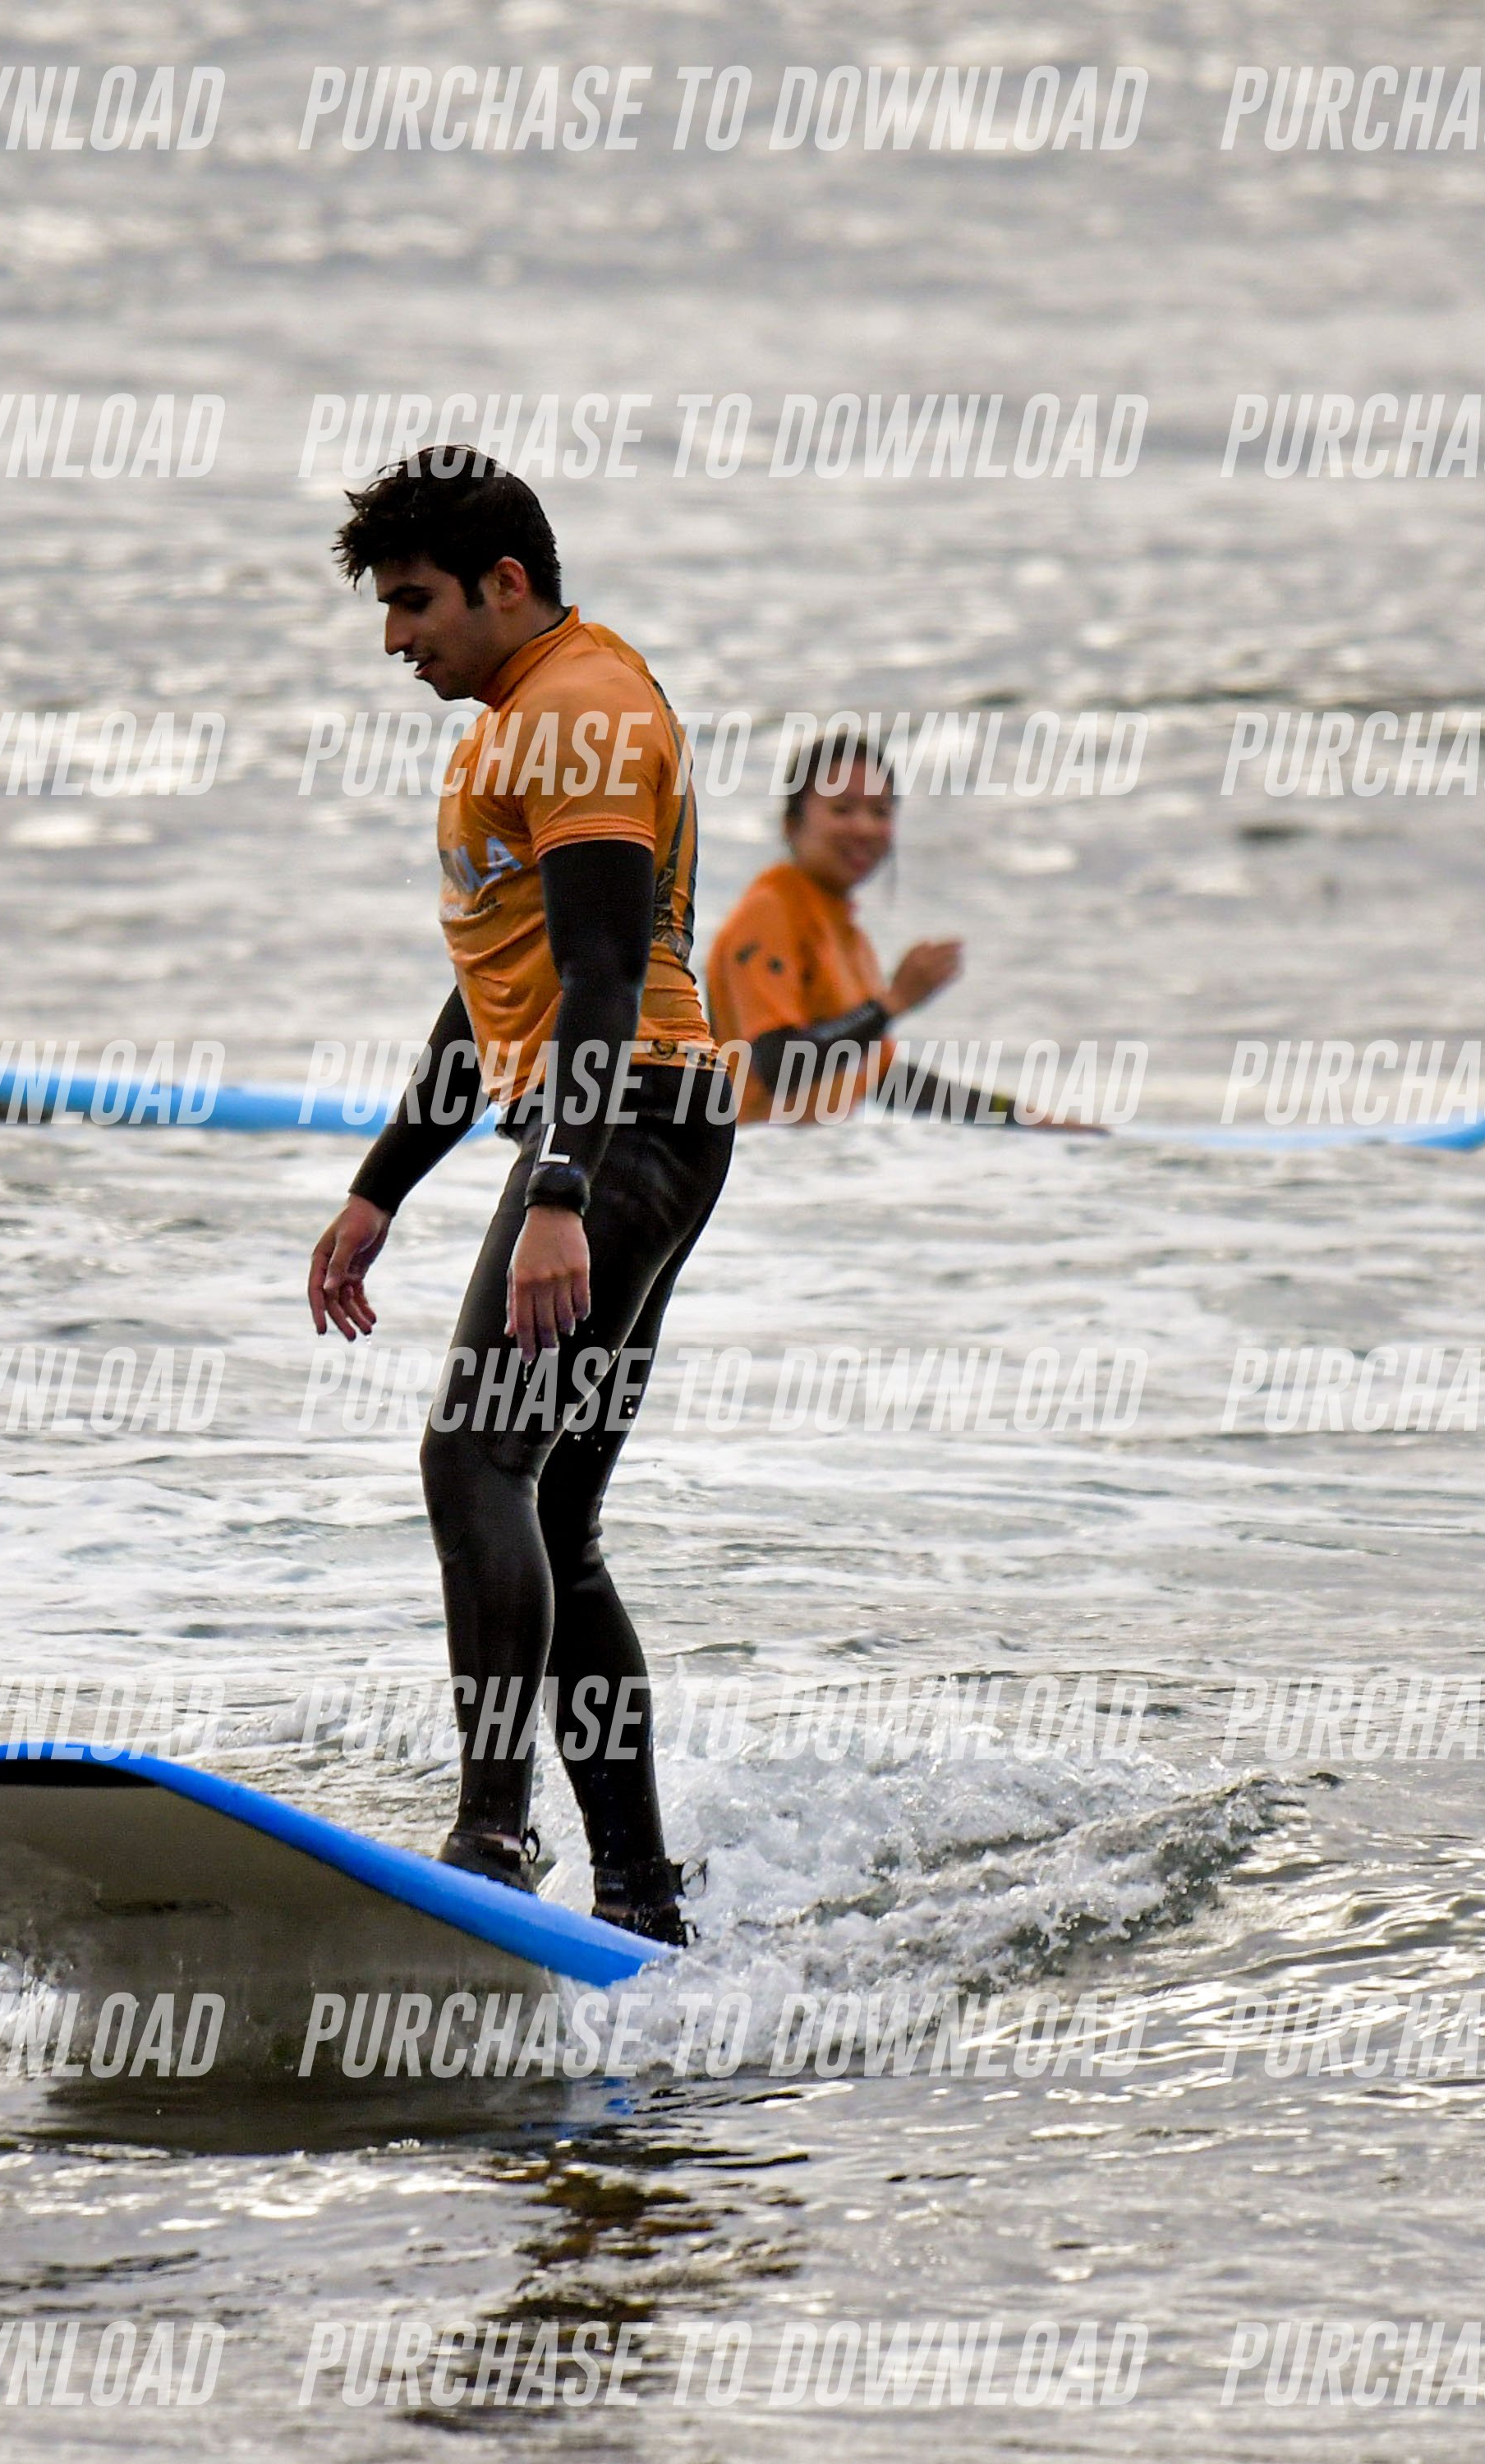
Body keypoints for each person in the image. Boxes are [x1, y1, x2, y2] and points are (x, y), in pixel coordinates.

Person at [301, 450, 731, 1948]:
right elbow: (503, 986)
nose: (393, 638)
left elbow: (605, 976)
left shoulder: (583, 710)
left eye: (414, 602)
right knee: (550, 1504)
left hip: (627, 1122)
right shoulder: (517, 719)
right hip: (632, 1123)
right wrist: (381, 1189)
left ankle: (492, 1843)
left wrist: (559, 1184)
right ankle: (639, 1900)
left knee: (475, 1458)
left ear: (504, 583)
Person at [706, 725, 1092, 1129]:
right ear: (792, 824)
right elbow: (777, 1064)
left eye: (880, 812)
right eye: (843, 809)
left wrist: (1028, 1120)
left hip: (816, 1155)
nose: (864, 828)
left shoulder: (848, 935)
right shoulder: (769, 912)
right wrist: (891, 1004)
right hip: (755, 1152)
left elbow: (887, 1080)